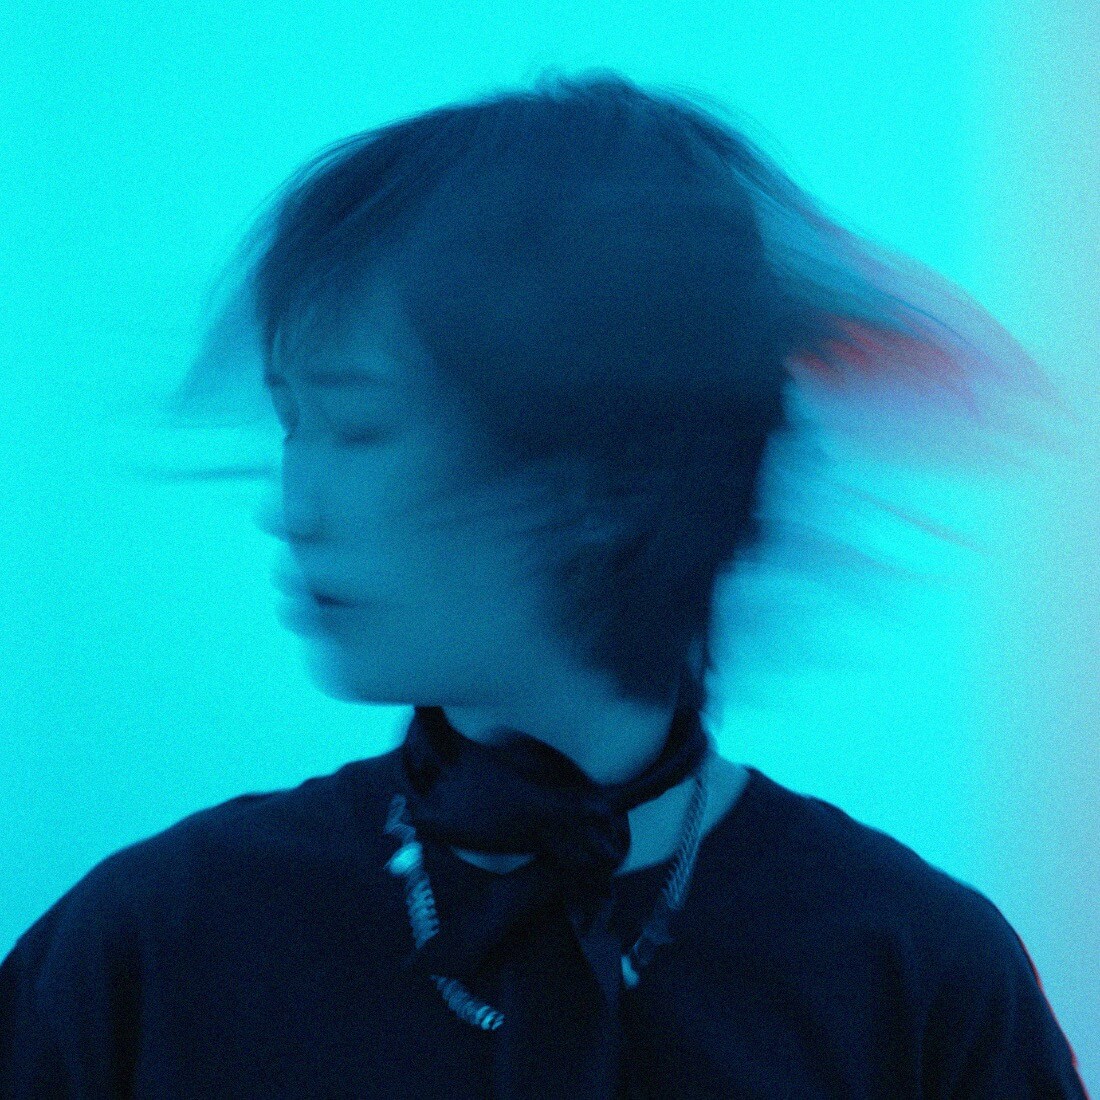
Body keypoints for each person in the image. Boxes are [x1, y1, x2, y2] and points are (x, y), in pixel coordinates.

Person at [1, 68, 1089, 1098]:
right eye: (293, 423)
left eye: (358, 424)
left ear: (602, 467)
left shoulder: (914, 981)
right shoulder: (152, 948)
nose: (295, 505)